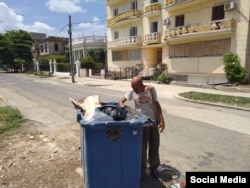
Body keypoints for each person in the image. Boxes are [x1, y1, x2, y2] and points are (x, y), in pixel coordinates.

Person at [119, 76, 167, 180]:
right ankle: (142, 169)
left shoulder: (151, 90)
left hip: (152, 122)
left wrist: (162, 120)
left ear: (141, 85)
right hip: (141, 124)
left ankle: (154, 167)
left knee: (154, 145)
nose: (134, 90)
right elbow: (121, 101)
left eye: (136, 88)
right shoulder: (132, 92)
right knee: (142, 148)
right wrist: (122, 105)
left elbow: (157, 105)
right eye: (133, 88)